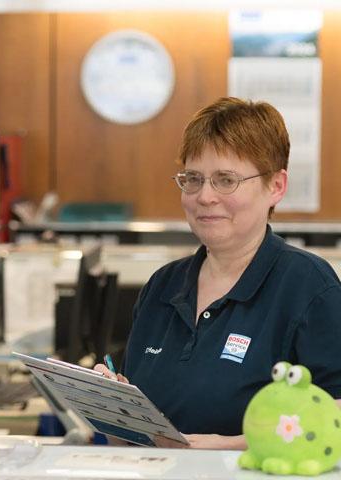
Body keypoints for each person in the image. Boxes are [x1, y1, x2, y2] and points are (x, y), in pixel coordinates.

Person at [95, 97, 341, 449]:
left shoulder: (309, 287)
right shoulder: (162, 286)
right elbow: (136, 439)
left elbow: (337, 416)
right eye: (193, 179)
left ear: (276, 186)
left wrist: (230, 446)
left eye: (225, 180)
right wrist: (113, 408)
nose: (205, 196)